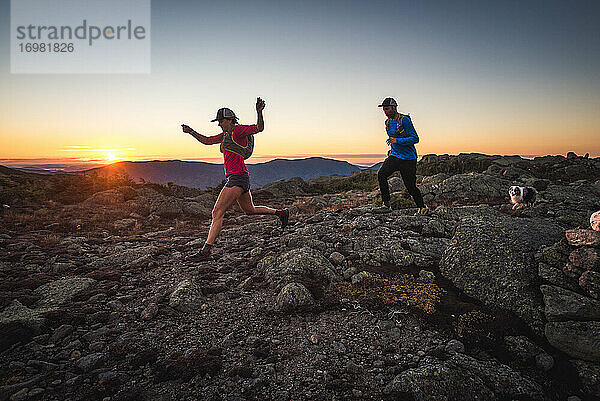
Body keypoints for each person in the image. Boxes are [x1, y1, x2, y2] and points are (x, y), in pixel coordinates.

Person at [181, 97, 289, 262]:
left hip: (237, 177)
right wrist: (191, 132)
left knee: (217, 212)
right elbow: (208, 141)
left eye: (220, 121)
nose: (218, 124)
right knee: (249, 210)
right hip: (241, 177)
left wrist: (259, 112)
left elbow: (259, 128)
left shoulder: (238, 130)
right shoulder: (225, 135)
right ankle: (281, 213)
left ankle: (205, 252)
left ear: (229, 120)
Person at [376, 97, 426, 213]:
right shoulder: (387, 122)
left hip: (408, 159)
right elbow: (392, 138)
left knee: (410, 187)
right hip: (395, 156)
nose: (385, 112)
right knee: (381, 174)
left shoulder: (405, 120)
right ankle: (386, 204)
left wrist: (397, 141)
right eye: (384, 109)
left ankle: (422, 208)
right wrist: (392, 149)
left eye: (387, 109)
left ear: (394, 108)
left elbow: (415, 138)